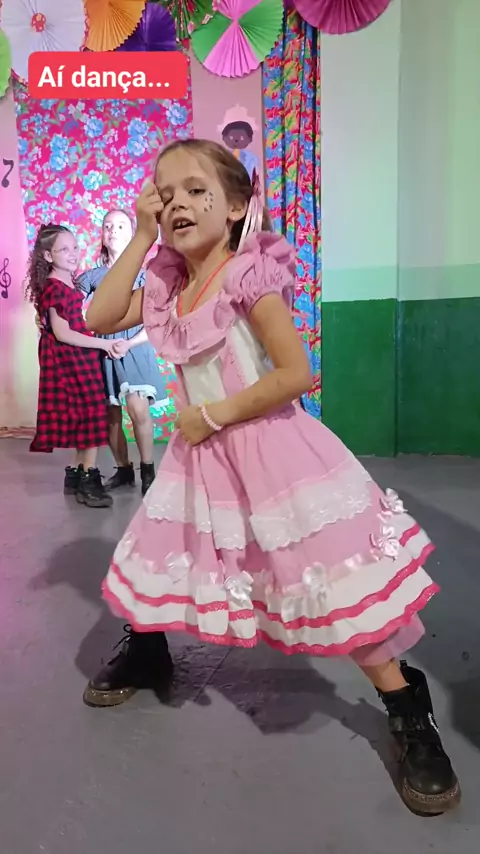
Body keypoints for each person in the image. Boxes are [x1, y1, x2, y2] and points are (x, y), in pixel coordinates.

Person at [84, 139, 460, 815]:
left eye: (196, 189)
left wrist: (213, 414)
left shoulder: (246, 278)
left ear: (235, 207)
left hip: (269, 449)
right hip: (201, 457)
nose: (177, 203)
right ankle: (147, 650)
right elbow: (98, 316)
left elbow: (295, 374)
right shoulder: (167, 287)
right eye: (165, 193)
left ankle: (406, 705)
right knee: (159, 556)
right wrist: (139, 237)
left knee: (327, 577)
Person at [77, 209, 167, 496]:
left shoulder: (144, 276)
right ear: (102, 235)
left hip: (134, 346)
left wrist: (129, 343)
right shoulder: (92, 276)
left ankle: (148, 470)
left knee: (138, 408)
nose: (113, 230)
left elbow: (156, 320)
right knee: (111, 414)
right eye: (108, 226)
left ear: (131, 234)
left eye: (120, 226)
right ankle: (124, 469)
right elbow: (67, 306)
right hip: (104, 350)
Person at [27, 224, 113, 508]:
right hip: (71, 359)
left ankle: (75, 475)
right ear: (48, 256)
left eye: (74, 247)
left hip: (76, 357)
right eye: (64, 249)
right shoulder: (55, 288)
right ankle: (89, 480)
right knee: (92, 415)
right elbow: (63, 333)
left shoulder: (65, 284)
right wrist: (102, 344)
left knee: (85, 416)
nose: (73, 253)